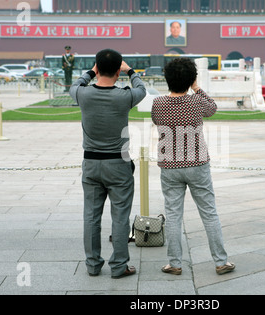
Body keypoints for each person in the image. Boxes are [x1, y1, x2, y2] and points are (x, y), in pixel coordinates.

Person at [151, 58, 235, 276]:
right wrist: (196, 87)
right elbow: (213, 108)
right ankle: (220, 261)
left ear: (167, 79)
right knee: (209, 213)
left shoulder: (158, 103)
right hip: (197, 163)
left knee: (173, 215)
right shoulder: (196, 102)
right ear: (190, 79)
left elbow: (155, 120)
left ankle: (174, 263)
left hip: (169, 165)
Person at [69, 49, 146, 279]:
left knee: (91, 216)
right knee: (120, 216)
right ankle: (119, 265)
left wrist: (90, 72)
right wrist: (130, 70)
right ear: (118, 71)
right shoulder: (125, 96)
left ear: (97, 68)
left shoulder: (82, 94)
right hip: (118, 163)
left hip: (91, 162)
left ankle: (93, 265)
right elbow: (142, 89)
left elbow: (77, 84)